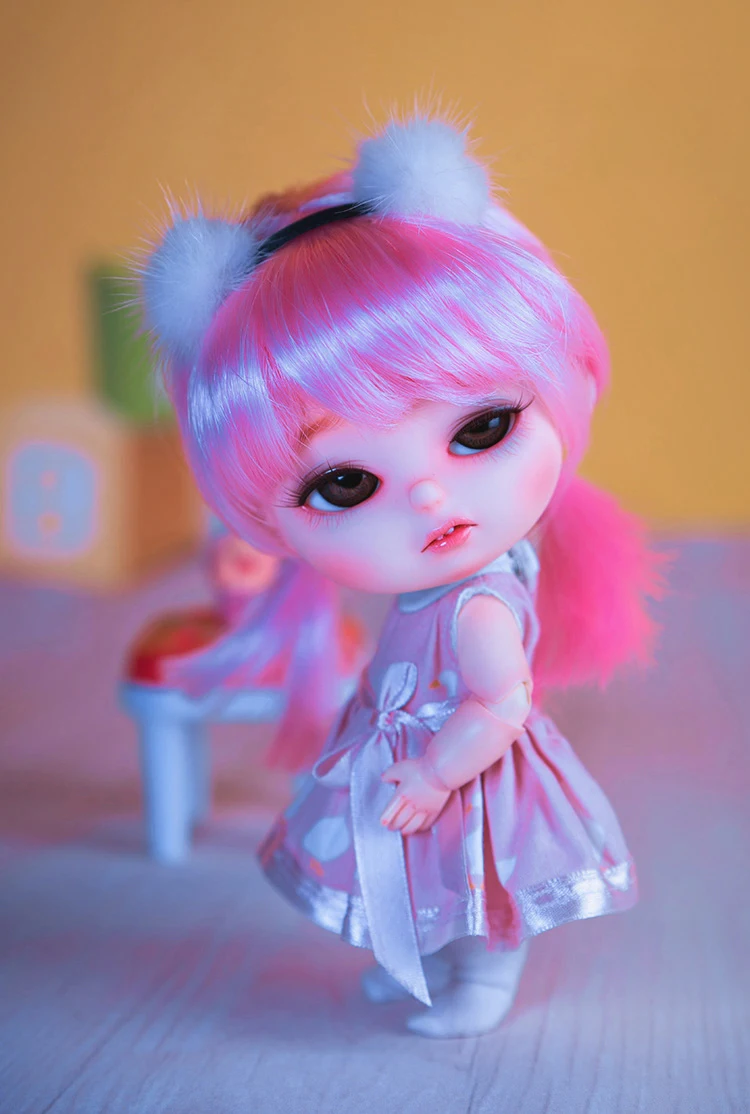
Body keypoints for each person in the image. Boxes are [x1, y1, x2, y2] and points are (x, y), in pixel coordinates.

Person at [139, 113, 661, 1037]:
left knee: (478, 876)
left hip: (465, 767)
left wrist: (432, 772)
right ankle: (416, 962)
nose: (427, 498)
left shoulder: (478, 609)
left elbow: (501, 702)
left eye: (482, 429)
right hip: (413, 750)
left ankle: (481, 981)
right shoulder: (438, 590)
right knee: (428, 875)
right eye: (345, 483)